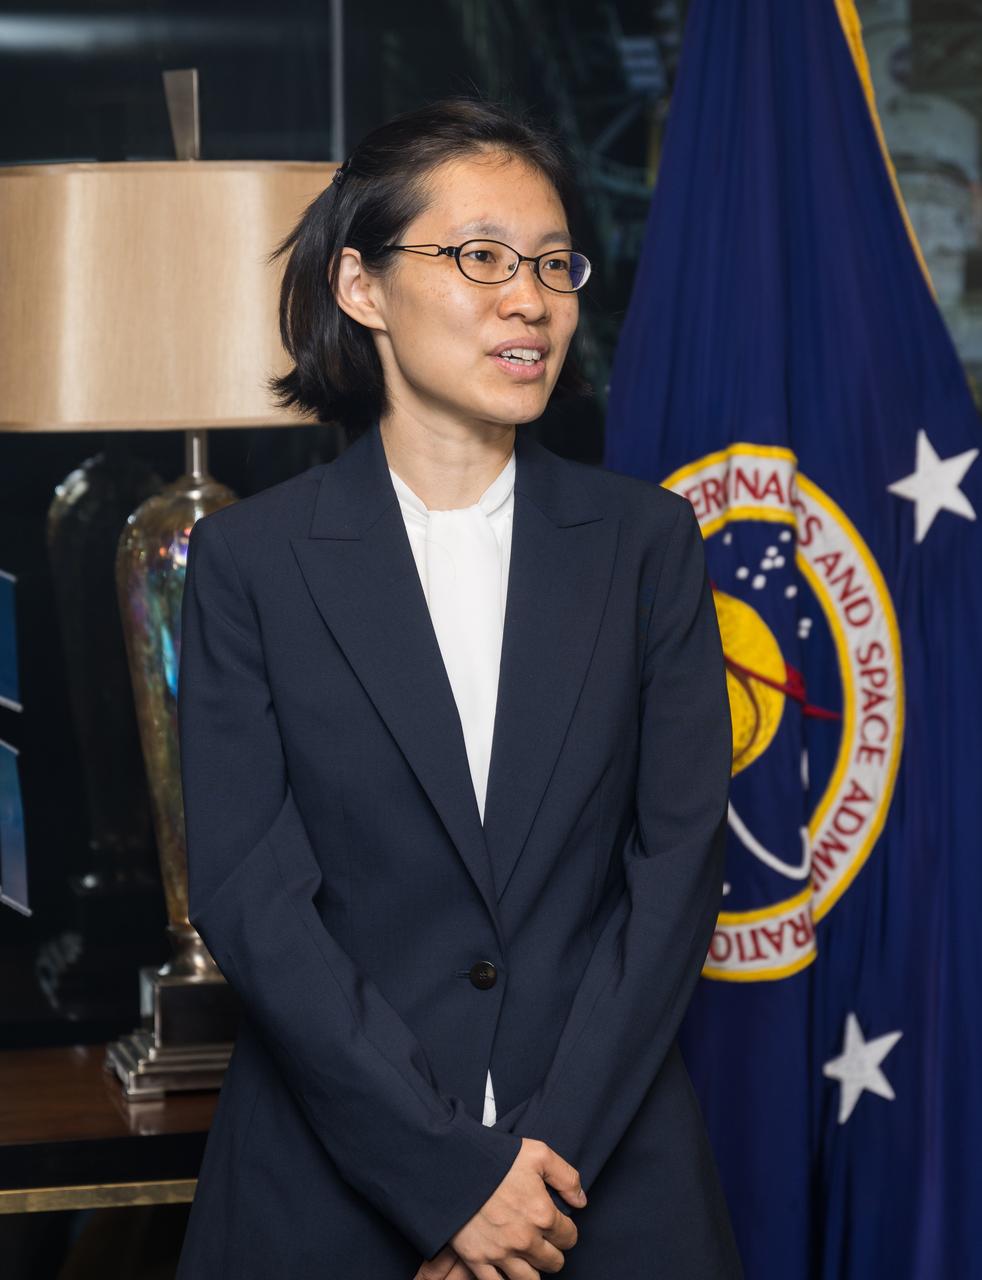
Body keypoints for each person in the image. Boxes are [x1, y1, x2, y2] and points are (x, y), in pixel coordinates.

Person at [175, 96, 743, 1279]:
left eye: (551, 262)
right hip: (326, 1190)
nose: (528, 298)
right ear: (362, 287)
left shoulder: (648, 545)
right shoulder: (249, 562)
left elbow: (675, 872)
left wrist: (525, 1181)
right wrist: (446, 1177)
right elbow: (251, 898)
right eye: (479, 256)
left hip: (600, 1185)